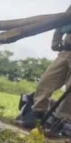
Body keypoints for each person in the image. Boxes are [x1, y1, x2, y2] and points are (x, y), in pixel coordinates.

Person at [17, 5, 71, 136]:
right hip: (66, 50)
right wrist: (56, 40)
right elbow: (61, 20)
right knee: (46, 82)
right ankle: (37, 114)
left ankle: (62, 122)